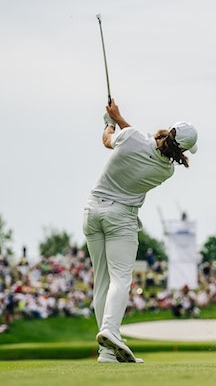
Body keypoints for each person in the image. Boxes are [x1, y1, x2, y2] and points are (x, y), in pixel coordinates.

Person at [83, 98, 197, 364]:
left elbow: (110, 140)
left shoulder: (132, 137)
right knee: (120, 279)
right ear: (183, 150)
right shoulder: (166, 170)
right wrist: (118, 120)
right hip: (120, 218)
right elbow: (139, 144)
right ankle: (110, 330)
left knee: (102, 281)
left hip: (92, 212)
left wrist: (110, 122)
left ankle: (107, 351)